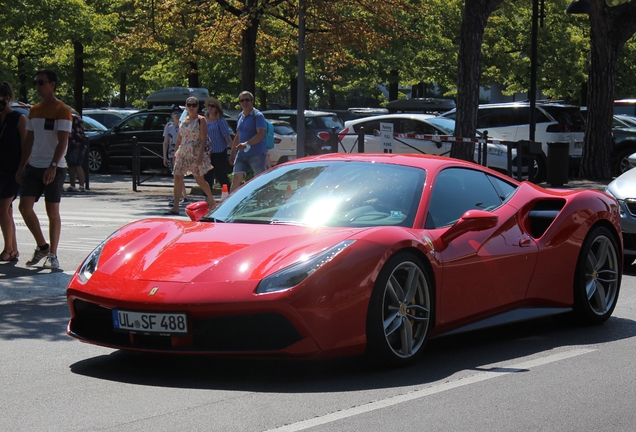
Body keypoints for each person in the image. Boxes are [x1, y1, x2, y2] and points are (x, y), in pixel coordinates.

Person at [16, 69, 72, 269]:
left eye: (41, 82)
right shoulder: (35, 110)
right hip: (34, 166)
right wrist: (22, 166)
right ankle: (42, 246)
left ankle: (53, 254)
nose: (38, 86)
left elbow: (62, 141)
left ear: (52, 85)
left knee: (52, 210)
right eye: (36, 83)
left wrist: (53, 166)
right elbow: (29, 140)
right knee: (24, 207)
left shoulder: (62, 109)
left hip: (54, 167)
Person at [166, 96, 214, 215]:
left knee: (199, 180)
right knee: (177, 177)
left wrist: (200, 157)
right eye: (189, 105)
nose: (191, 107)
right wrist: (175, 154)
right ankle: (176, 207)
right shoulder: (183, 120)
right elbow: (179, 139)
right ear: (186, 106)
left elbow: (203, 139)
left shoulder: (201, 120)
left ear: (198, 106)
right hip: (183, 151)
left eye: (194, 105)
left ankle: (212, 202)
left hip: (195, 151)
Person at [0, 82, 27, 262]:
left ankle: (8, 249)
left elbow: (26, 147)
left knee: (2, 208)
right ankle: (14, 248)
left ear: (7, 98)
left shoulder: (19, 118)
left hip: (13, 170)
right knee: (7, 211)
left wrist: (22, 168)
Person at [229, 91, 267, 193]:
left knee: (260, 180)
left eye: (247, 100)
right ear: (239, 103)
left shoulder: (258, 116)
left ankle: (262, 202)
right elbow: (238, 135)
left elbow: (260, 134)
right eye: (242, 100)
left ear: (252, 101)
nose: (244, 102)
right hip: (241, 154)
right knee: (236, 177)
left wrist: (246, 144)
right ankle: (231, 205)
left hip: (257, 154)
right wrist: (232, 153)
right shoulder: (240, 116)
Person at [203, 96, 232, 192]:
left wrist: (233, 150)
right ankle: (207, 198)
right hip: (207, 152)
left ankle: (229, 194)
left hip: (219, 152)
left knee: (221, 175)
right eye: (209, 105)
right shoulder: (203, 120)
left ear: (217, 109)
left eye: (213, 106)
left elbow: (227, 136)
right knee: (207, 176)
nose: (210, 108)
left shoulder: (220, 121)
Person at [163, 105, 188, 206]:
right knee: (177, 176)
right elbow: (165, 142)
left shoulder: (184, 126)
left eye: (179, 114)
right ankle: (184, 196)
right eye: (175, 114)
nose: (177, 116)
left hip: (181, 153)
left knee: (178, 176)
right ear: (171, 115)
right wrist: (164, 156)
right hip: (171, 153)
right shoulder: (169, 128)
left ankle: (178, 197)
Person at [65, 109, 87, 192]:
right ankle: (77, 185)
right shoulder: (78, 117)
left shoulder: (71, 117)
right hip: (80, 143)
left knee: (75, 165)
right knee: (74, 165)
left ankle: (77, 185)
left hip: (73, 143)